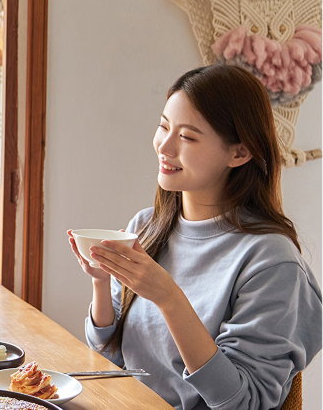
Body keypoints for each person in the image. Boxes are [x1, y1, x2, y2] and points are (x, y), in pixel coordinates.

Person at [69, 64, 323, 409]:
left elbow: (242, 402)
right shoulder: (147, 226)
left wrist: (169, 298)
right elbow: (111, 356)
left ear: (239, 153)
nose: (165, 146)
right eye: (163, 127)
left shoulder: (271, 260)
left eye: (187, 136)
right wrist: (101, 283)